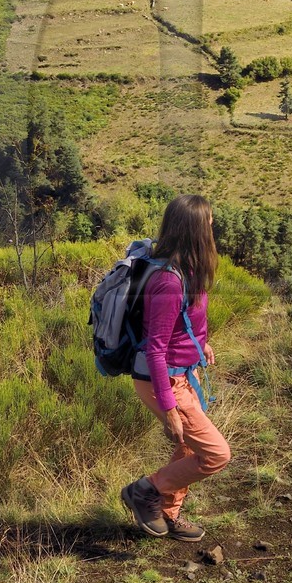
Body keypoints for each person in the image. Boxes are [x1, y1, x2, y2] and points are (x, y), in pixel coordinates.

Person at [122, 194, 231, 543]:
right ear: (198, 228)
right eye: (210, 222)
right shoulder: (169, 280)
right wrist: (169, 408)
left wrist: (202, 343)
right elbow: (155, 348)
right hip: (166, 379)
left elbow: (184, 323)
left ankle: (169, 512)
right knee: (215, 454)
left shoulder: (189, 269)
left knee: (189, 447)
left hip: (185, 371)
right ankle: (145, 491)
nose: (214, 226)